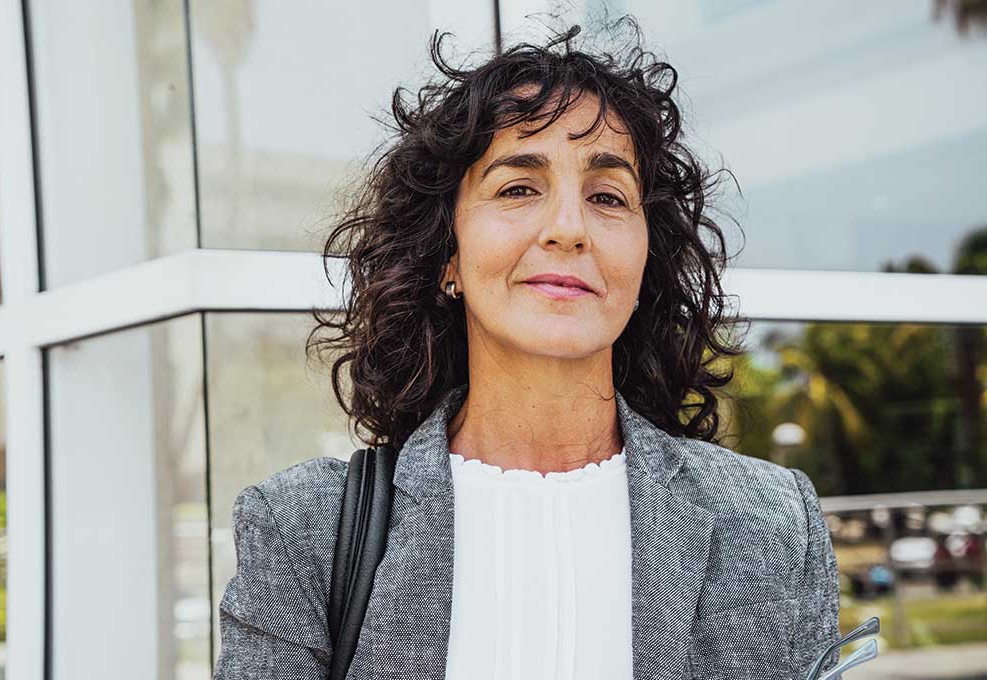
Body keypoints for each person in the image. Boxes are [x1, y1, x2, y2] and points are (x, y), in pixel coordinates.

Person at [213, 18, 840, 680]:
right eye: (517, 187)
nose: (569, 228)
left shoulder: (772, 521)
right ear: (445, 255)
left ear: (643, 258)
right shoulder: (303, 528)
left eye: (606, 196)